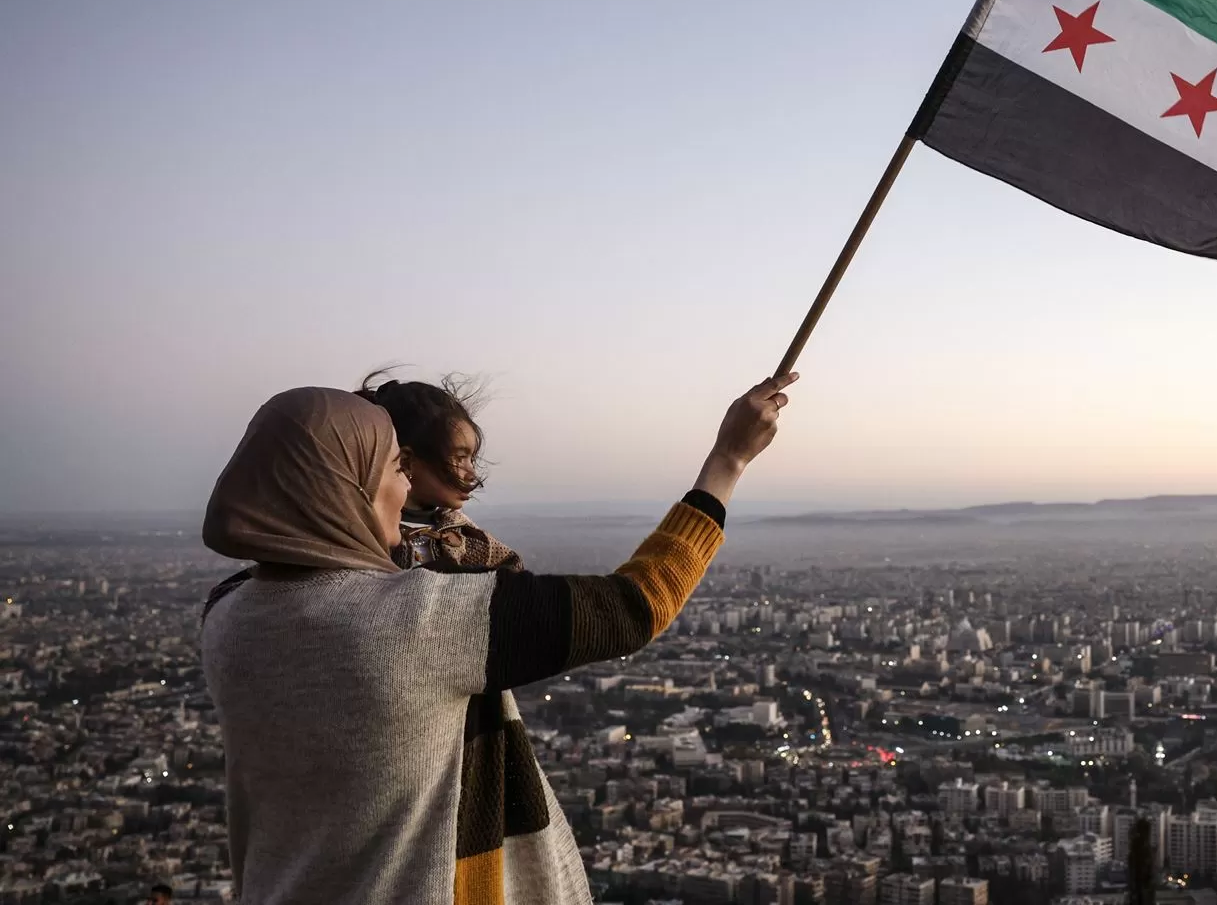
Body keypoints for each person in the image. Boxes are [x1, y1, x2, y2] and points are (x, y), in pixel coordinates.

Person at [199, 375, 795, 904]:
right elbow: (634, 606)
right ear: (344, 488)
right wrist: (728, 460)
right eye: (393, 469)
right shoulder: (410, 622)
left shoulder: (227, 614)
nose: (404, 491)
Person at [354, 372, 520, 571]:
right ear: (406, 462)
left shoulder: (468, 536)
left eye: (472, 459)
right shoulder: (363, 532)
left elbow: (512, 574)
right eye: (459, 458)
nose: (472, 474)